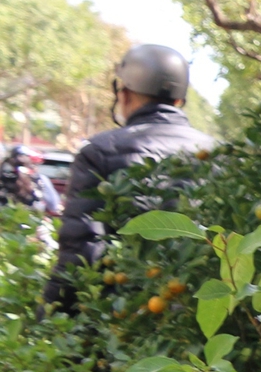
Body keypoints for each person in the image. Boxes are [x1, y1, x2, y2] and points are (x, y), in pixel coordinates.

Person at [43, 44, 215, 311]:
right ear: (179, 100)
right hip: (200, 314)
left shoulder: (99, 152)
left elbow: (82, 251)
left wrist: (50, 317)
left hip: (125, 318)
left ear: (124, 93)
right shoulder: (217, 152)